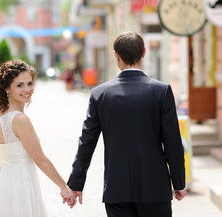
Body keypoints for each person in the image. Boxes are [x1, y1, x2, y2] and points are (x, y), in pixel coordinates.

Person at [67, 32, 187, 217]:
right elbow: (173, 142)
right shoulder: (161, 91)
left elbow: (87, 142)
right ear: (144, 52)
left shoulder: (100, 94)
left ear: (116, 55)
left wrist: (75, 184)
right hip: (154, 187)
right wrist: (179, 182)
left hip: (117, 188)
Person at [0, 60, 76, 217]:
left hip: (1, 185)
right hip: (20, 185)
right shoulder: (20, 120)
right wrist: (63, 187)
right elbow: (40, 159)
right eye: (20, 85)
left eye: (30, 83)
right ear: (7, 88)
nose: (27, 89)